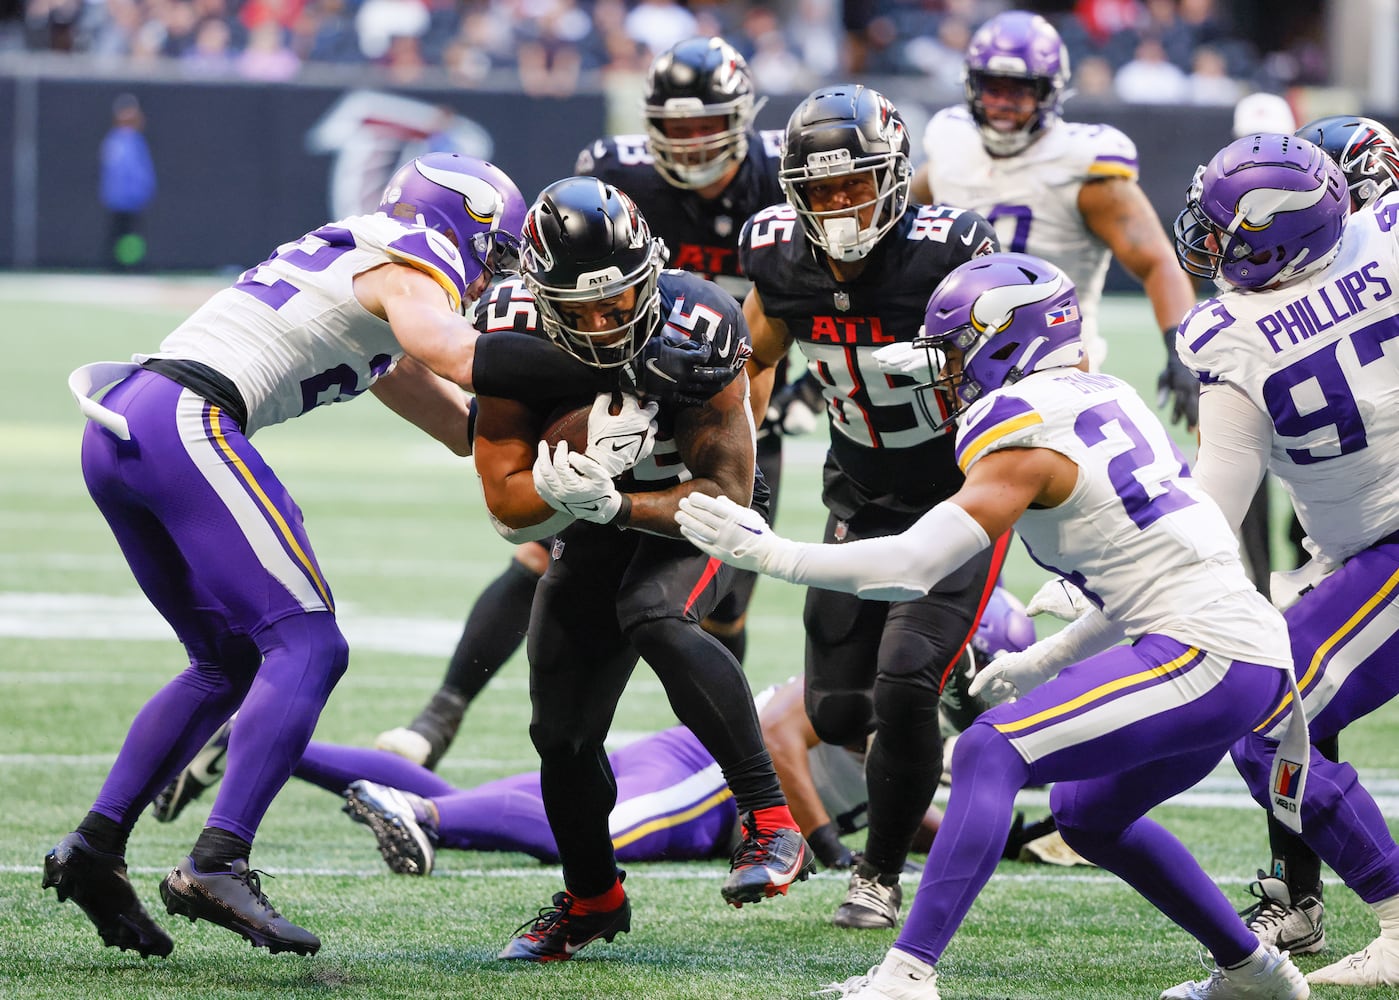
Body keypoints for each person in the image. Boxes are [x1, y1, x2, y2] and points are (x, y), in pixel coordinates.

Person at [43, 152, 731, 960]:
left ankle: (94, 846)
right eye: (501, 255)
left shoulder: (362, 281)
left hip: (124, 427)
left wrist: (582, 439)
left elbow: (461, 423)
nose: (497, 279)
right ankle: (216, 861)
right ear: (468, 228)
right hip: (185, 419)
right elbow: (463, 353)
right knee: (309, 644)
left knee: (224, 664)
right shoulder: (415, 255)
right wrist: (626, 357)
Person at [676, 251, 1312, 1000]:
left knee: (986, 751)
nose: (945, 371)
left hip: (1206, 652)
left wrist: (768, 552)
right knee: (1088, 816)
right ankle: (1254, 972)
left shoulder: (1021, 428)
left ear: (1006, 342)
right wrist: (1050, 658)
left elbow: (913, 566)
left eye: (954, 351)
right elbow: (1158, 573)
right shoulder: (1104, 394)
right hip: (1238, 653)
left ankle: (906, 974)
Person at [373, 36, 805, 769]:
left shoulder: (781, 180)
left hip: (722, 392)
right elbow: (559, 273)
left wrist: (773, 388)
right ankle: (439, 714)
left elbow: (793, 298)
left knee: (726, 587)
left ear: (743, 118)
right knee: (548, 546)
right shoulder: (615, 174)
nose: (692, 143)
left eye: (708, 126)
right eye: (677, 126)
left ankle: (720, 771)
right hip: (608, 382)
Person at [471, 175, 813, 962]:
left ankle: (769, 819)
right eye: (579, 309)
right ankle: (592, 899)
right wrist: (578, 481)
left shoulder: (701, 321)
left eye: (618, 302)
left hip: (691, 515)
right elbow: (504, 503)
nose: (601, 324)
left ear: (648, 276)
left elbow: (727, 496)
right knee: (558, 733)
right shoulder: (509, 337)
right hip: (595, 518)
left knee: (653, 612)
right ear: (540, 296)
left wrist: (617, 505)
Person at [739, 82, 1006, 932]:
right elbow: (754, 358)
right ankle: (942, 686)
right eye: (820, 189)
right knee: (835, 712)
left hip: (960, 497)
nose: (840, 203)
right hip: (858, 495)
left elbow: (1017, 364)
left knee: (902, 683)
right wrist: (743, 450)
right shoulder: (779, 261)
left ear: (893, 177)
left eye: (855, 183)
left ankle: (878, 876)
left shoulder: (948, 253)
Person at [1174, 130, 1399, 988]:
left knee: (1270, 717)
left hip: (1383, 546)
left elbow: (1215, 499)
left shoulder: (1230, 333)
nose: (1206, 236)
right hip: (1358, 552)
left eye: (1225, 226)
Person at [909, 10, 1199, 429]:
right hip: (956, 363)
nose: (1004, 104)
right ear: (972, 86)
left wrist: (1179, 350)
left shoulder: (1081, 164)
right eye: (993, 88)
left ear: (1050, 93)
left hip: (1054, 365)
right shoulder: (950, 144)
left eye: (1020, 91)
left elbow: (1156, 260)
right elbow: (907, 223)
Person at [100, 93, 157, 272]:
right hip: (121, 198)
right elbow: (118, 172)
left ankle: (130, 263)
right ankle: (118, 265)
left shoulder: (133, 139)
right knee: (119, 234)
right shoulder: (117, 140)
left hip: (133, 198)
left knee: (132, 235)